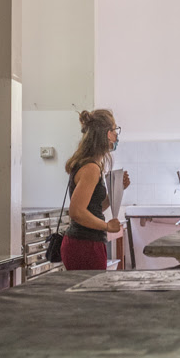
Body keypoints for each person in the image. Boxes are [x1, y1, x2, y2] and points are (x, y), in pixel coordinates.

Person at [61, 109, 125, 270]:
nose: (116, 135)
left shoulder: (93, 165)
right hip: (84, 245)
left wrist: (118, 190)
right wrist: (107, 226)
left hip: (87, 242)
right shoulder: (91, 168)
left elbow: (93, 208)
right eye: (115, 130)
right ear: (107, 134)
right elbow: (77, 212)